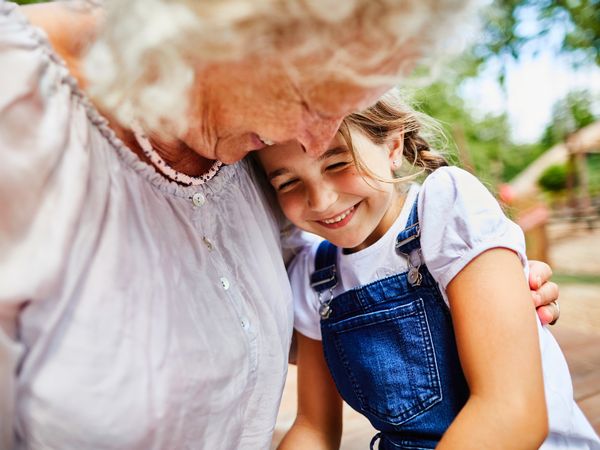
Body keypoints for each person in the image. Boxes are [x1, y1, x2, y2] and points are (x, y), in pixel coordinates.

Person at [0, 0, 560, 448]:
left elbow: (262, 317)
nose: (312, 143)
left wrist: (481, 299)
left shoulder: (249, 144)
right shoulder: (22, 110)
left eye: (344, 115)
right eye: (308, 98)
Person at [256, 93, 600, 449]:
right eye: (288, 183)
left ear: (392, 146)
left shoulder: (446, 206)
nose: (321, 200)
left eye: (338, 163)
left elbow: (512, 413)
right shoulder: (314, 275)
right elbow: (315, 428)